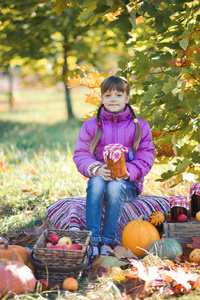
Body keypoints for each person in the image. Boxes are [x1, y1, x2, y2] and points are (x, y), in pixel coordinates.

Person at [73, 75, 155, 256]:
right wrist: (96, 169)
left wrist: (129, 172)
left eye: (118, 95)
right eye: (108, 95)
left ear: (127, 98)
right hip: (102, 179)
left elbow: (146, 155)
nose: (113, 100)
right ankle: (93, 240)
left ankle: (108, 241)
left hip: (127, 184)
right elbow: (81, 154)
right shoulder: (91, 125)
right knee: (95, 183)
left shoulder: (139, 126)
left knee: (116, 187)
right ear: (101, 98)